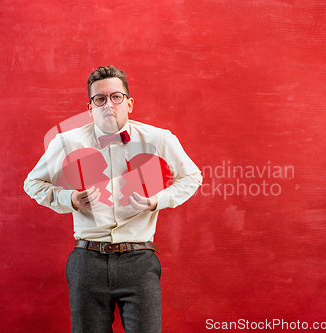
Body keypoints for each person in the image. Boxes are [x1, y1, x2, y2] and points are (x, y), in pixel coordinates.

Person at [24, 65, 202, 333]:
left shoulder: (159, 138)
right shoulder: (66, 142)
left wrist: (158, 200)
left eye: (116, 97)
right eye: (100, 99)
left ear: (129, 103)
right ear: (90, 107)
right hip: (87, 261)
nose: (109, 104)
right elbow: (33, 183)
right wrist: (70, 198)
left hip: (140, 260)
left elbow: (192, 177)